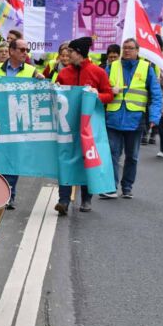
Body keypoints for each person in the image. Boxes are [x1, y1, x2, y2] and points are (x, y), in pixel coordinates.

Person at [54, 37, 114, 215]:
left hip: (89, 126)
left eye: (70, 52)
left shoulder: (98, 72)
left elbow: (109, 95)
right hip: (67, 125)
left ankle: (86, 199)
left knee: (87, 159)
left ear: (78, 53)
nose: (67, 54)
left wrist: (97, 95)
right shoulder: (64, 73)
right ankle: (63, 200)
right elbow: (57, 95)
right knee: (65, 160)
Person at [102, 38, 163, 199]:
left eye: (130, 48)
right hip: (113, 117)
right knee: (112, 153)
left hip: (135, 120)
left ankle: (127, 187)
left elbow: (156, 95)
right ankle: (110, 187)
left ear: (137, 51)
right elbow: (102, 87)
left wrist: (154, 117)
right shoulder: (112, 66)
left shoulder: (146, 68)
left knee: (132, 156)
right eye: (125, 48)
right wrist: (109, 90)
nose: (127, 51)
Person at [0, 38, 43, 210]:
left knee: (13, 158)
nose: (25, 53)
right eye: (22, 50)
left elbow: (41, 92)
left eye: (26, 50)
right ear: (11, 51)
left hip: (18, 121)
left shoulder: (32, 71)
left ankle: (10, 194)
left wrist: (43, 82)